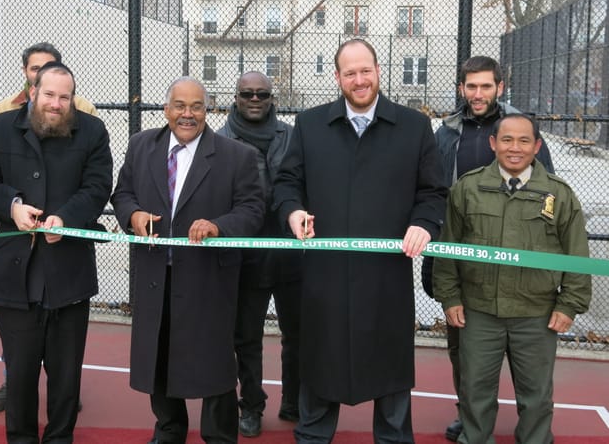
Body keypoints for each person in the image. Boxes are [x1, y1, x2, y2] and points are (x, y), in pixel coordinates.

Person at [272, 38, 447, 443]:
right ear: (337, 78)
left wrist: (424, 223)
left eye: (365, 70)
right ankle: (313, 436)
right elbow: (286, 183)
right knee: (320, 363)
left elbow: (433, 191)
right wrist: (293, 212)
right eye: (349, 72)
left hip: (385, 277)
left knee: (389, 368)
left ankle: (393, 438)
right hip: (324, 276)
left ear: (378, 71)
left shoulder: (414, 126)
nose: (359, 79)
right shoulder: (311, 125)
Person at [111, 76, 265, 444]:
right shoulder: (140, 146)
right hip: (154, 275)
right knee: (158, 355)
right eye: (179, 105)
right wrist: (132, 215)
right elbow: (123, 194)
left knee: (214, 365)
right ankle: (169, 428)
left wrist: (218, 226)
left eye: (196, 106)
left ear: (207, 111)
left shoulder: (236, 156)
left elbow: (253, 209)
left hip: (208, 279)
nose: (187, 114)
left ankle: (219, 435)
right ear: (166, 110)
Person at [0, 61, 112, 443]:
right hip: (14, 273)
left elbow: (99, 187)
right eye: (49, 95)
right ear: (32, 92)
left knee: (66, 376)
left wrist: (67, 218)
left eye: (64, 97)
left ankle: (60, 437)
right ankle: (20, 438)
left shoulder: (93, 131)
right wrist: (11, 205)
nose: (56, 104)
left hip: (69, 271)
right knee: (20, 373)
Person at [433, 113, 591, 444]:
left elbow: (576, 254)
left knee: (536, 395)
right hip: (478, 312)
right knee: (475, 391)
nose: (514, 148)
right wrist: (450, 297)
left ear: (537, 146)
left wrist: (569, 305)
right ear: (493, 144)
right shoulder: (468, 188)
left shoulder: (559, 195)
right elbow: (448, 249)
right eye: (506, 140)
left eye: (523, 141)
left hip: (537, 314)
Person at [420, 55, 554, 442]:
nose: (478, 94)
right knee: (463, 347)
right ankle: (470, 414)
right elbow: (433, 191)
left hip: (516, 263)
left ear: (500, 87)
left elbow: (549, 193)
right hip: (463, 262)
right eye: (471, 86)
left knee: (526, 350)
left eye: (486, 86)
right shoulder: (444, 134)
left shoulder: (519, 130)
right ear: (461, 88)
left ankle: (534, 423)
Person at [217, 71, 301, 437]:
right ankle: (251, 405)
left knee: (297, 333)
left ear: (272, 98)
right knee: (246, 337)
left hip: (290, 252)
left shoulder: (292, 136)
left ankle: (295, 400)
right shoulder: (221, 140)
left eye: (262, 94)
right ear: (235, 97)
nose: (254, 99)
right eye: (247, 93)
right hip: (245, 255)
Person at [0, 41, 98, 117]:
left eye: (48, 67)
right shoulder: (1, 110)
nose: (42, 73)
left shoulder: (84, 109)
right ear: (24, 71)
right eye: (35, 69)